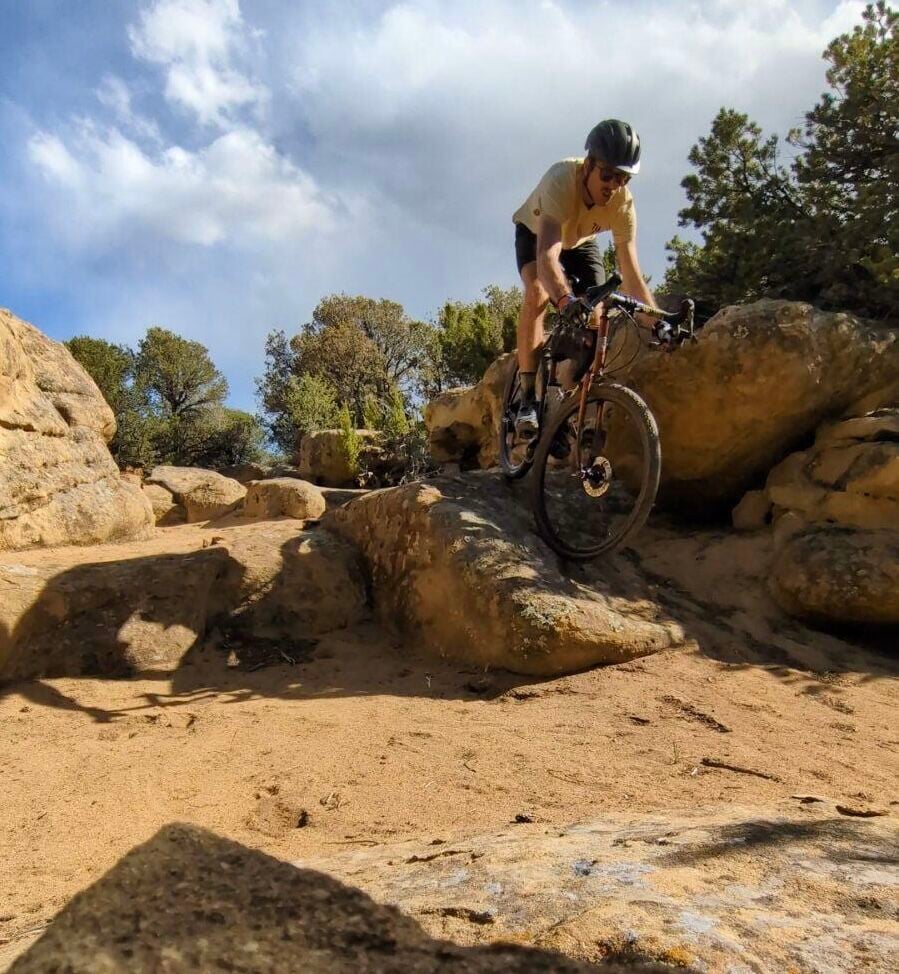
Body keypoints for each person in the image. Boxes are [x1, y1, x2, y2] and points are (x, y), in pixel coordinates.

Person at [511, 118, 658, 437]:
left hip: (579, 242)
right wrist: (564, 300)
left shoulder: (623, 204)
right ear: (588, 165)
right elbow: (548, 257)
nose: (613, 186)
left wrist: (657, 322)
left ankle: (566, 404)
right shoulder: (561, 179)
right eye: (607, 175)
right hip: (537, 233)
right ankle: (526, 398)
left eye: (623, 178)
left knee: (598, 309)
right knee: (537, 290)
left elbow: (631, 275)